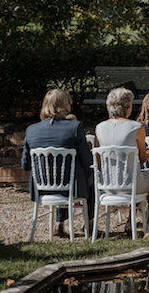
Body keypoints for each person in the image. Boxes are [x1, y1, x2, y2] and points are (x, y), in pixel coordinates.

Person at [21, 89, 94, 237]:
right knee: (90, 175)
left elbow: (25, 165)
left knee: (62, 173)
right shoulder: (75, 127)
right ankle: (90, 223)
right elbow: (88, 161)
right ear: (65, 105)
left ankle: (59, 223)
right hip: (72, 188)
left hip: (41, 188)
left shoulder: (31, 130)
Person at [93, 87, 149, 235]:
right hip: (131, 183)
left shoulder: (99, 128)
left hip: (106, 184)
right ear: (128, 107)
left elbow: (98, 163)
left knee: (138, 175)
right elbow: (142, 159)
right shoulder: (136, 127)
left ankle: (131, 221)